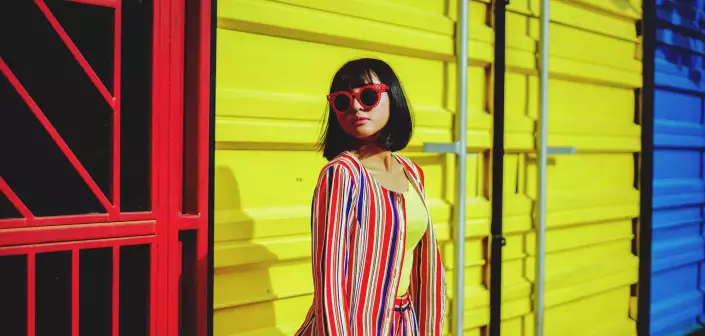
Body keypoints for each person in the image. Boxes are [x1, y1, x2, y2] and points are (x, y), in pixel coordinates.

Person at [295, 58, 446, 335]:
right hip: (355, 326)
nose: (355, 106)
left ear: (393, 97)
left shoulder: (411, 172)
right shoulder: (342, 174)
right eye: (342, 101)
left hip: (403, 322)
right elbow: (330, 280)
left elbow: (423, 261)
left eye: (368, 96)